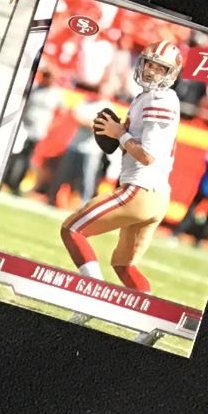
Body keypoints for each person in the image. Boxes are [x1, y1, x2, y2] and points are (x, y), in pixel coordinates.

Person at [57, 41, 182, 292]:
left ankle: (93, 292)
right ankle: (144, 313)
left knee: (72, 230)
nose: (151, 71)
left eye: (160, 68)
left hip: (140, 190)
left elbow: (147, 156)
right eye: (149, 64)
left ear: (171, 73)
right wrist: (123, 133)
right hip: (157, 195)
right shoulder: (157, 97)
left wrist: (119, 134)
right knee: (124, 265)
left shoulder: (158, 100)